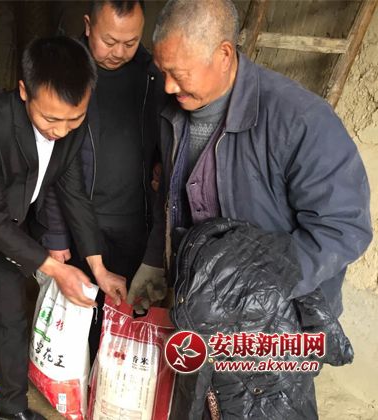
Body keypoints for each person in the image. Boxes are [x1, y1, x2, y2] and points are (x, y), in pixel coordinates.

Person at [127, 0, 372, 414]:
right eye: (162, 71)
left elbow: (344, 226)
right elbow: (170, 194)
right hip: (201, 314)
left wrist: (251, 290)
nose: (167, 86)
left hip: (273, 325)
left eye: (179, 73)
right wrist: (154, 260)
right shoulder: (173, 110)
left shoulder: (299, 120)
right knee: (198, 404)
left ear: (224, 54)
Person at [0, 36, 127, 420]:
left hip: (10, 232)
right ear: (24, 91)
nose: (62, 130)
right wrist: (56, 268)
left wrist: (98, 267)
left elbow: (73, 194)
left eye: (74, 119)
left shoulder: (70, 125)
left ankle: (13, 410)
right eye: (50, 119)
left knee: (11, 321)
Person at [41, 0, 167, 362]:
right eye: (109, 41)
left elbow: (162, 135)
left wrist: (159, 164)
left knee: (124, 314)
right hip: (79, 219)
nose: (119, 52)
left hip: (134, 218)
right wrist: (56, 233)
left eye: (131, 42)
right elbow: (52, 160)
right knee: (78, 316)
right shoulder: (65, 70)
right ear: (88, 25)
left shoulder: (153, 73)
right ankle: (75, 383)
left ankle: (109, 383)